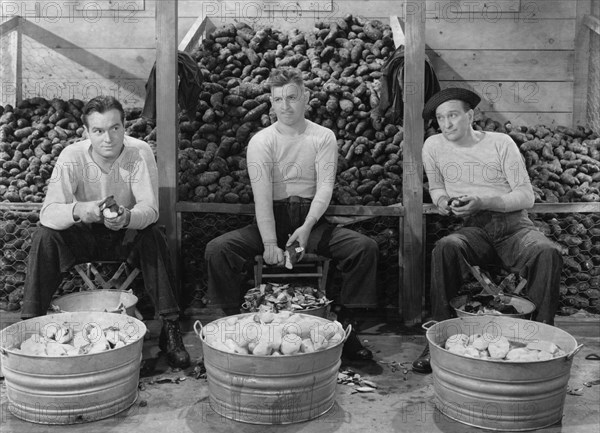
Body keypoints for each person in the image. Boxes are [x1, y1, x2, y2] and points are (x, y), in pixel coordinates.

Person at [204, 67, 379, 360]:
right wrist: (270, 243)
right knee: (217, 250)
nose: (285, 105)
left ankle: (346, 329)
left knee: (364, 249)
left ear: (306, 97)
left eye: (292, 97)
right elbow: (261, 197)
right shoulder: (261, 140)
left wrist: (308, 227)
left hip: (312, 219)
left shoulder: (323, 137)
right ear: (271, 102)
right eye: (278, 99)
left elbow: (325, 188)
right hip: (271, 218)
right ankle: (237, 325)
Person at [21, 95, 191, 369]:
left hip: (124, 235)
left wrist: (127, 217)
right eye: (99, 130)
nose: (108, 138)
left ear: (125, 126)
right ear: (86, 132)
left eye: (115, 128)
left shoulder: (139, 152)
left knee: (153, 234)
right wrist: (78, 210)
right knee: (44, 235)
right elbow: (48, 213)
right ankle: (30, 326)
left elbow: (150, 210)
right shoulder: (72, 156)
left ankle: (171, 331)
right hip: (84, 236)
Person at [412, 88, 563, 374]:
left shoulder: (500, 143)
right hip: (473, 228)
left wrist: (486, 200)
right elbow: (436, 187)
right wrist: (443, 202)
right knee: (446, 246)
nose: (447, 124)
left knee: (547, 252)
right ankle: (439, 338)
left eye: (453, 115)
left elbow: (526, 195)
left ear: (470, 115)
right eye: (441, 118)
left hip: (514, 227)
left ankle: (543, 342)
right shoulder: (433, 146)